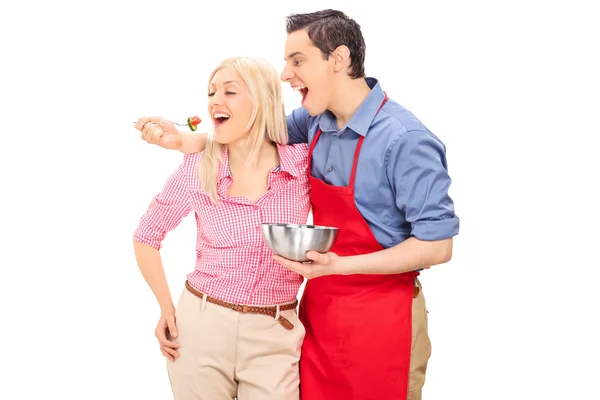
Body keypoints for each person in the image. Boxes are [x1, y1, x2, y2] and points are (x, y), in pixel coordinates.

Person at [136, 9, 459, 400]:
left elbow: (438, 246)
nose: (286, 73)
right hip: (318, 315)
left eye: (298, 60)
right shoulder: (313, 123)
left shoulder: (405, 139)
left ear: (338, 60)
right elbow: (249, 133)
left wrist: (341, 266)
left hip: (384, 317)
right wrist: (183, 140)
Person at [132, 56, 311, 400]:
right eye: (212, 92)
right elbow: (146, 237)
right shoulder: (198, 168)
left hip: (276, 333)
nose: (215, 101)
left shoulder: (302, 165)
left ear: (263, 101)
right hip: (201, 327)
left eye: (230, 92)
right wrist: (167, 309)